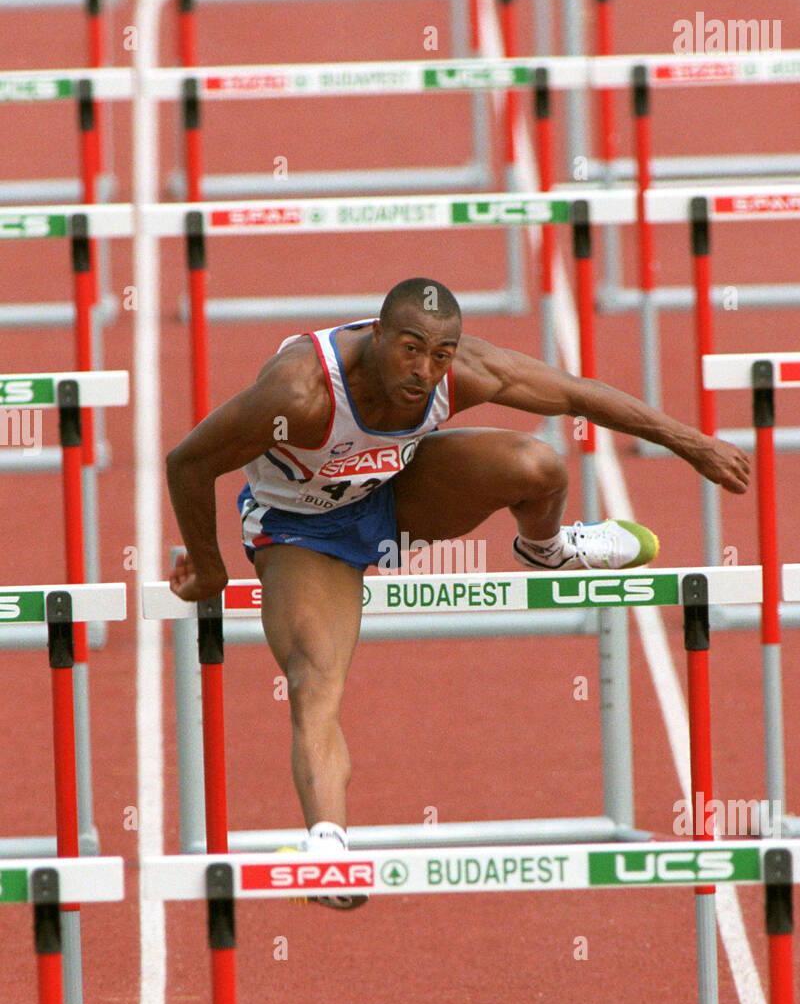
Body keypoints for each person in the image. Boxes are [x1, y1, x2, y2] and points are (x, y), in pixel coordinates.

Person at [166, 276, 749, 908]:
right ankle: (328, 848)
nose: (423, 371)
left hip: (397, 496)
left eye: (440, 355)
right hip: (302, 532)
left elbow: (577, 394)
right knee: (314, 680)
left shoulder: (457, 374)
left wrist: (692, 444)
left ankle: (547, 548)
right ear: (377, 334)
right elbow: (188, 462)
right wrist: (210, 566)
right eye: (410, 350)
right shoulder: (299, 392)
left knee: (538, 464)